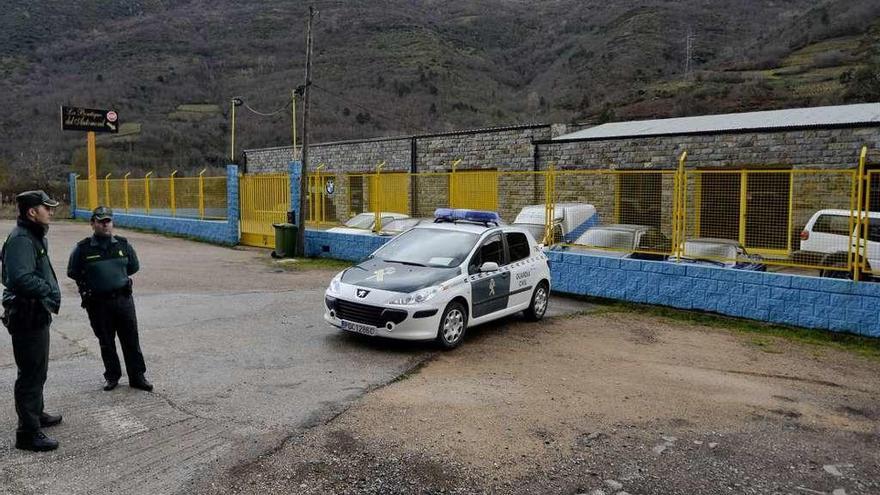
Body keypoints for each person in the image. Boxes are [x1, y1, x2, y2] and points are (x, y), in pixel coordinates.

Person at [1, 190, 63, 452]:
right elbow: (19, 278)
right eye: (46, 208)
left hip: (36, 312)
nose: (50, 212)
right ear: (32, 212)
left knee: (39, 370)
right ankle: (27, 433)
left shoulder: (33, 236)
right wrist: (47, 290)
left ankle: (35, 414)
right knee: (30, 374)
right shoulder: (22, 240)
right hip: (26, 314)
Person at [67, 206, 152, 393]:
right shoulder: (83, 249)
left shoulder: (123, 245)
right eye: (101, 221)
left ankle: (137, 376)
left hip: (123, 300)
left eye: (108, 221)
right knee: (106, 341)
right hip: (98, 303)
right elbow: (72, 271)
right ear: (92, 224)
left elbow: (132, 267)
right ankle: (112, 376)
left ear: (112, 223)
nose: (105, 225)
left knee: (131, 339)